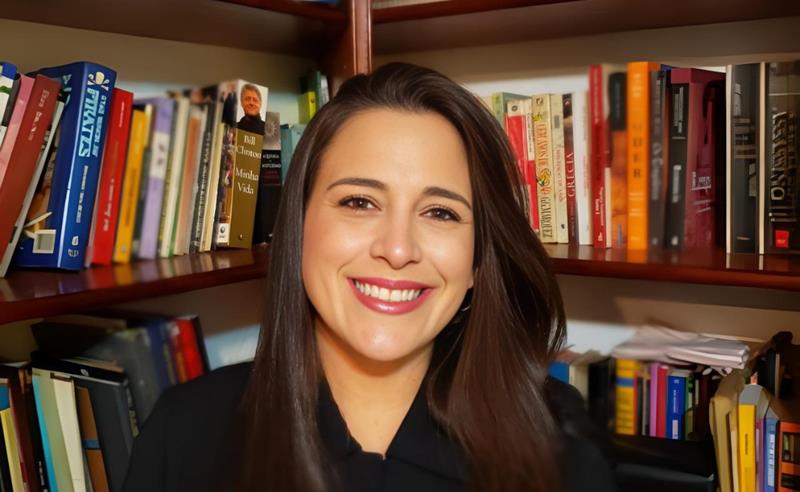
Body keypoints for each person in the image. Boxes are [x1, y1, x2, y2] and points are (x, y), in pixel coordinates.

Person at [122, 63, 617, 492]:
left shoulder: (559, 448)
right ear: (298, 228)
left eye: (440, 212)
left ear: (477, 261)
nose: (397, 250)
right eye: (359, 202)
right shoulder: (184, 432)